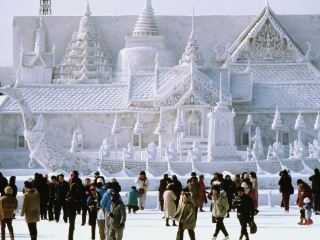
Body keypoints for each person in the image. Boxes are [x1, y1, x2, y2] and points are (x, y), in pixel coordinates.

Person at [66, 175, 82, 240]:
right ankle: (70, 237)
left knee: (71, 224)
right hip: (72, 210)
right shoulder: (74, 192)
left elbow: (67, 202)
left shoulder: (70, 192)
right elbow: (78, 202)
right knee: (72, 224)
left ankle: (70, 236)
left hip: (71, 210)